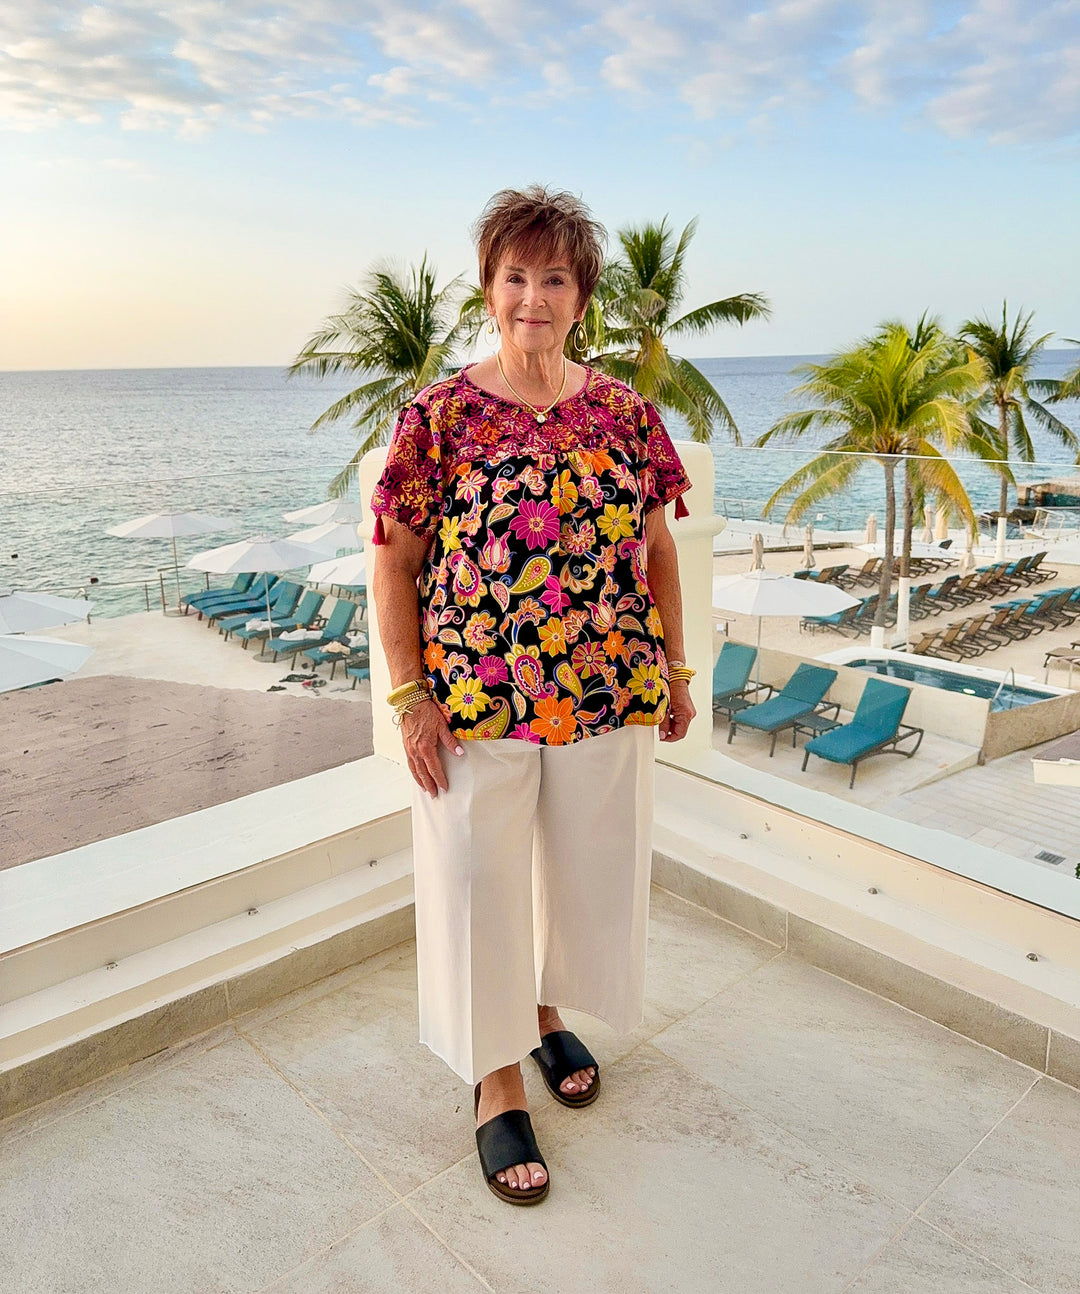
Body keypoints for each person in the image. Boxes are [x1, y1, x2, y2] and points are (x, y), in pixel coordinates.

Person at [370, 185, 696, 1206]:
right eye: (516, 275)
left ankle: (547, 1015)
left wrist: (680, 670)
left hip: (605, 691)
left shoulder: (624, 414)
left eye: (554, 277)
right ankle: (495, 1074)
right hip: (473, 703)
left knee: (579, 874)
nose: (534, 296)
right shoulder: (438, 418)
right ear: (489, 288)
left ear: (581, 295)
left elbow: (658, 548)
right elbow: (395, 564)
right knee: (478, 882)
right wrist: (410, 698)